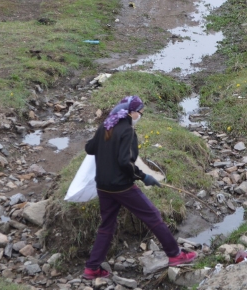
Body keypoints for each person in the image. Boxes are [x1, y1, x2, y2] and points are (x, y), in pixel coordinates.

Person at [82, 95, 197, 280]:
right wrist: (143, 176)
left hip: (103, 185)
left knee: (106, 226)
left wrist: (106, 147)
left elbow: (90, 148)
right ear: (131, 112)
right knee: (153, 216)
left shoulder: (106, 126)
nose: (141, 115)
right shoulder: (127, 130)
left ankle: (92, 268)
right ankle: (175, 255)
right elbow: (124, 161)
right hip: (122, 186)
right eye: (140, 112)